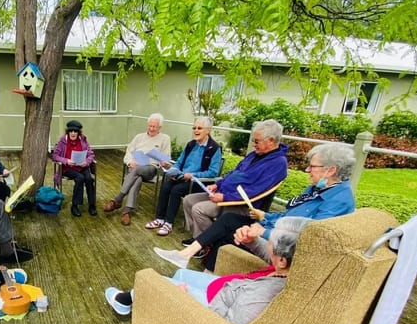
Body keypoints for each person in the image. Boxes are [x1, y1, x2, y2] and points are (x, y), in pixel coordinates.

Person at [154, 142, 356, 271]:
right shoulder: (317, 190)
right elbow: (289, 217)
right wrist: (265, 216)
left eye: (313, 166)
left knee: (231, 227)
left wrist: (265, 231)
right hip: (276, 232)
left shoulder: (340, 200)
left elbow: (310, 235)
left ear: (331, 170)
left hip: (287, 252)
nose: (307, 169)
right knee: (229, 221)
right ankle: (189, 259)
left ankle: (199, 268)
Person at [106, 216, 311, 324]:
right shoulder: (293, 266)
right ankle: (153, 307)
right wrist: (254, 241)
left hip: (217, 310)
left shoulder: (267, 294)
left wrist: (186, 299)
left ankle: (125, 301)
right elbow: (271, 257)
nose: (268, 244)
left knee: (156, 281)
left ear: (282, 260)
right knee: (180, 275)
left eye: (270, 243)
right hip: (229, 289)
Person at [180, 119, 288, 255]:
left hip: (238, 204)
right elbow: (234, 173)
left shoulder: (278, 163)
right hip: (225, 193)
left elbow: (254, 192)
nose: (253, 144)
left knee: (199, 209)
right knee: (189, 200)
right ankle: (200, 238)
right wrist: (217, 184)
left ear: (271, 141)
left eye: (256, 141)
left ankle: (207, 243)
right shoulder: (255, 155)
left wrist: (225, 197)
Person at [145, 116, 222, 236]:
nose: (196, 130)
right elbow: (180, 162)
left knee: (176, 190)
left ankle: (169, 223)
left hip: (197, 182)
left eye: (199, 128)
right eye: (194, 128)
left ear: (208, 130)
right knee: (165, 186)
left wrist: (192, 175)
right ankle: (159, 219)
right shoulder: (191, 144)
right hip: (182, 177)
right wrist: (174, 170)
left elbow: (213, 172)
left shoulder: (214, 148)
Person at [102, 113, 171, 225]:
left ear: (160, 127)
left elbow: (166, 158)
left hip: (151, 168)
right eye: (150, 126)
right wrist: (130, 161)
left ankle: (118, 199)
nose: (151, 128)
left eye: (154, 127)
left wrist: (164, 162)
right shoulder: (139, 137)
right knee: (137, 177)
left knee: (138, 171)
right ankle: (127, 211)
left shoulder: (165, 138)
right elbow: (129, 151)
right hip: (135, 166)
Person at [52, 119, 97, 217]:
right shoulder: (62, 141)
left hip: (81, 167)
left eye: (75, 131)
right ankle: (75, 206)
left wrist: (86, 162)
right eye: (71, 131)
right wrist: (66, 161)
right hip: (68, 168)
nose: (73, 133)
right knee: (80, 178)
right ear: (68, 132)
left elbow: (91, 154)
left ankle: (92, 205)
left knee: (89, 179)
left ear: (78, 132)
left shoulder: (83, 140)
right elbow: (55, 156)